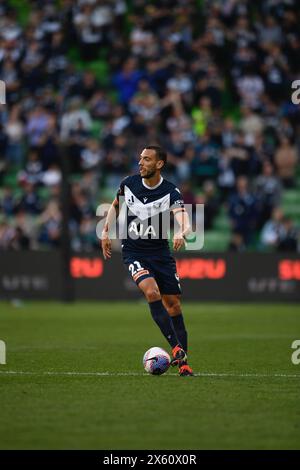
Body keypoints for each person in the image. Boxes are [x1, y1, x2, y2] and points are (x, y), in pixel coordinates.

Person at [101, 145, 194, 376]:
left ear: (159, 164)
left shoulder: (171, 191)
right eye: (140, 158)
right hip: (134, 252)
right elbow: (115, 205)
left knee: (173, 304)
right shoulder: (128, 183)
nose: (140, 163)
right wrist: (105, 231)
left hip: (161, 255)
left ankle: (184, 364)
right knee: (152, 293)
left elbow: (184, 219)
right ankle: (176, 349)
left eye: (147, 159)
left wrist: (182, 232)